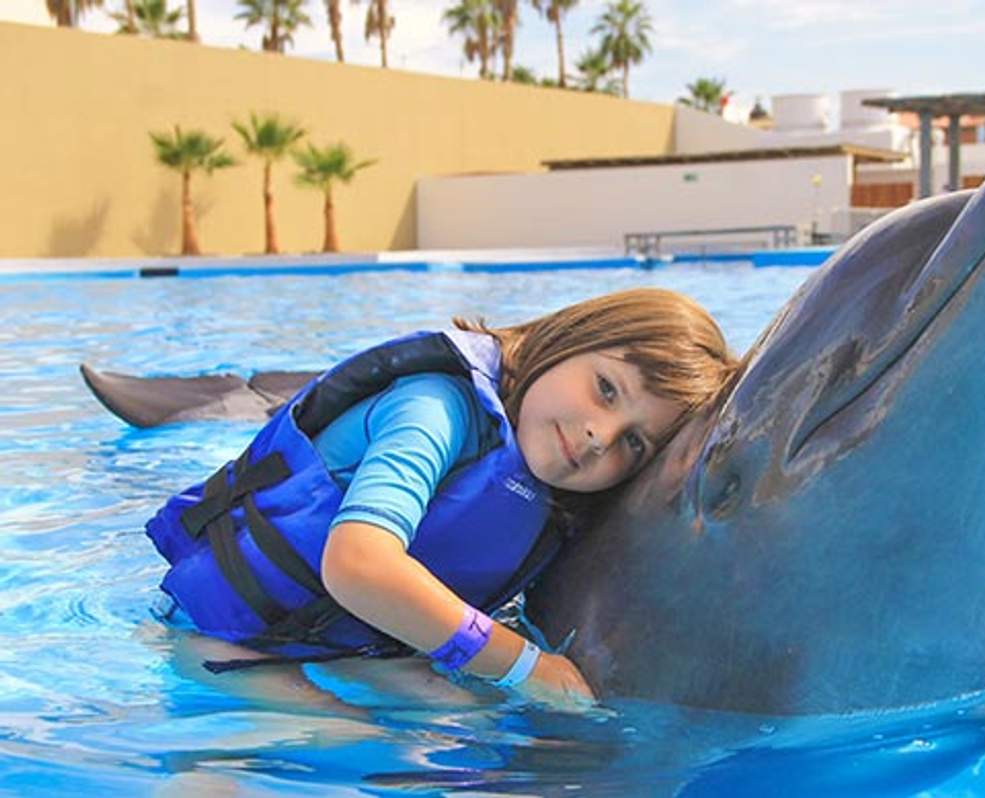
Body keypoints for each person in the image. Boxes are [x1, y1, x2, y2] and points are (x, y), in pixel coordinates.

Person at [145, 288, 737, 708]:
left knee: (456, 735)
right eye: (606, 389)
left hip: (351, 648)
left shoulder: (549, 493)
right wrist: (528, 666)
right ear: (567, 340)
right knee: (355, 742)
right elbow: (357, 565)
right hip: (223, 640)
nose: (596, 436)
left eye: (632, 443)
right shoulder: (435, 408)